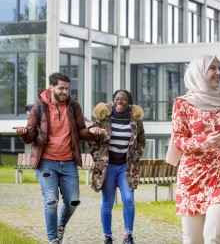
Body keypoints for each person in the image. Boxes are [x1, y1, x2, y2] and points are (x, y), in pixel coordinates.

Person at [167, 54, 220, 244]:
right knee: (193, 239)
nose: (218, 72)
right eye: (213, 68)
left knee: (214, 237)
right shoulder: (183, 103)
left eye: (219, 68)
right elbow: (178, 140)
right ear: (200, 72)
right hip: (192, 176)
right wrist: (204, 142)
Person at [14, 72, 96, 244]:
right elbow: (31, 136)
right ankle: (53, 239)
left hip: (68, 163)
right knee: (51, 201)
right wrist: (23, 134)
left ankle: (61, 225)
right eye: (61, 88)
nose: (65, 92)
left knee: (73, 201)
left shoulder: (74, 106)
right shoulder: (38, 108)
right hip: (46, 162)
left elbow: (81, 130)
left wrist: (90, 132)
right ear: (51, 87)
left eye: (67, 88)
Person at [89, 89, 146, 244]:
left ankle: (128, 235)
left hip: (126, 167)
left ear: (129, 102)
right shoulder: (103, 117)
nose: (120, 101)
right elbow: (92, 138)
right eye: (117, 99)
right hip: (107, 167)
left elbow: (141, 139)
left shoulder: (135, 119)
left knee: (128, 200)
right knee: (107, 202)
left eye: (123, 99)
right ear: (113, 101)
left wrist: (135, 156)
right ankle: (107, 236)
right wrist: (97, 158)